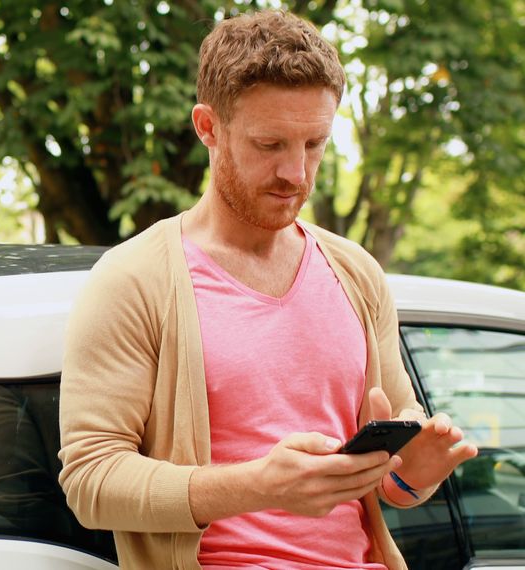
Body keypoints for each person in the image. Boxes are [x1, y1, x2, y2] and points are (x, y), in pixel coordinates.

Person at [57, 10, 477, 570]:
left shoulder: (356, 273)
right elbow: (91, 479)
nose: (296, 174)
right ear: (208, 127)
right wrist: (258, 486)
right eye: (270, 143)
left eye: (314, 144)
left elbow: (391, 485)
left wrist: (414, 475)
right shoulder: (134, 278)